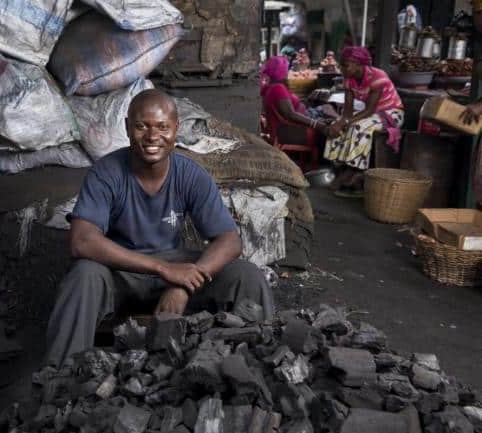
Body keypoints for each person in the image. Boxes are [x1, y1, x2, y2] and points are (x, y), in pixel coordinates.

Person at [44, 89, 275, 368]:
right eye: (142, 126)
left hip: (174, 267)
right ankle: (59, 379)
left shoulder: (190, 174)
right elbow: (81, 241)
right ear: (128, 128)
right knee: (84, 275)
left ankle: (259, 368)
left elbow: (229, 240)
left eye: (163, 127)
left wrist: (185, 283)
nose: (153, 137)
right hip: (123, 273)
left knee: (246, 275)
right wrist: (160, 268)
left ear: (176, 129)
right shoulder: (106, 173)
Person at [325, 46, 405, 193]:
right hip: (370, 114)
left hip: (391, 114)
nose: (341, 68)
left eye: (345, 65)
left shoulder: (378, 76)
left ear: (358, 64)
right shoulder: (349, 80)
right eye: (341, 64)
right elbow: (347, 111)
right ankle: (339, 165)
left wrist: (346, 122)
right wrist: (340, 122)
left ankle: (354, 169)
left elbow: (369, 110)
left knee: (359, 127)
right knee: (334, 125)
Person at [260, 56, 330, 139]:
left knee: (327, 109)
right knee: (328, 109)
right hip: (296, 127)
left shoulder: (271, 87)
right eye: (286, 69)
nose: (287, 72)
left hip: (301, 118)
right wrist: (316, 124)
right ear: (282, 71)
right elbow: (290, 114)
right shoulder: (278, 88)